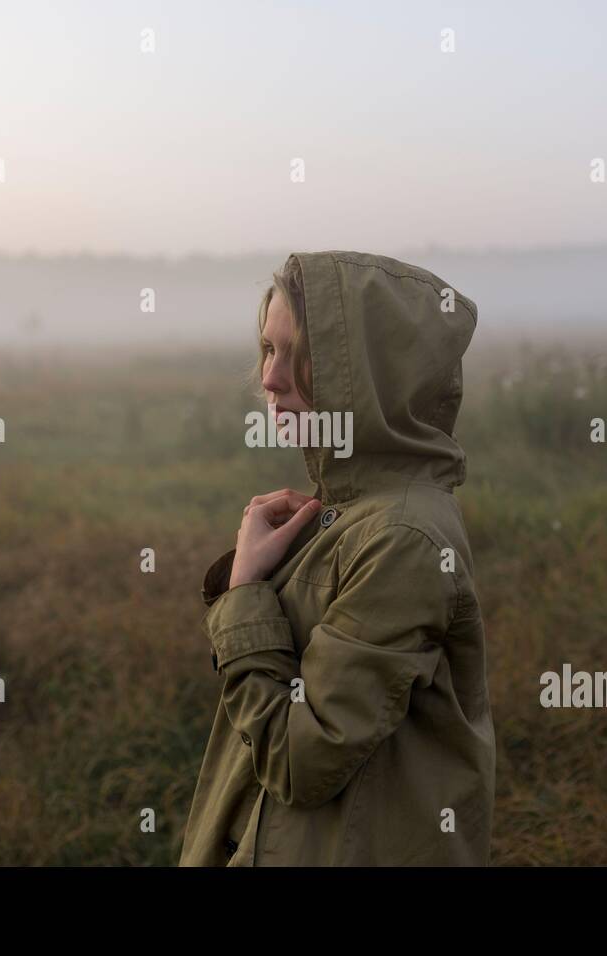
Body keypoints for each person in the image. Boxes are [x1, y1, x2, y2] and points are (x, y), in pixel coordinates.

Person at [178, 250, 495, 866]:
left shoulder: (403, 536)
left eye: (299, 355)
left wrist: (245, 591)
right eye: (267, 350)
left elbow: (302, 759)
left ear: (372, 376)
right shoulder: (348, 510)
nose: (270, 379)